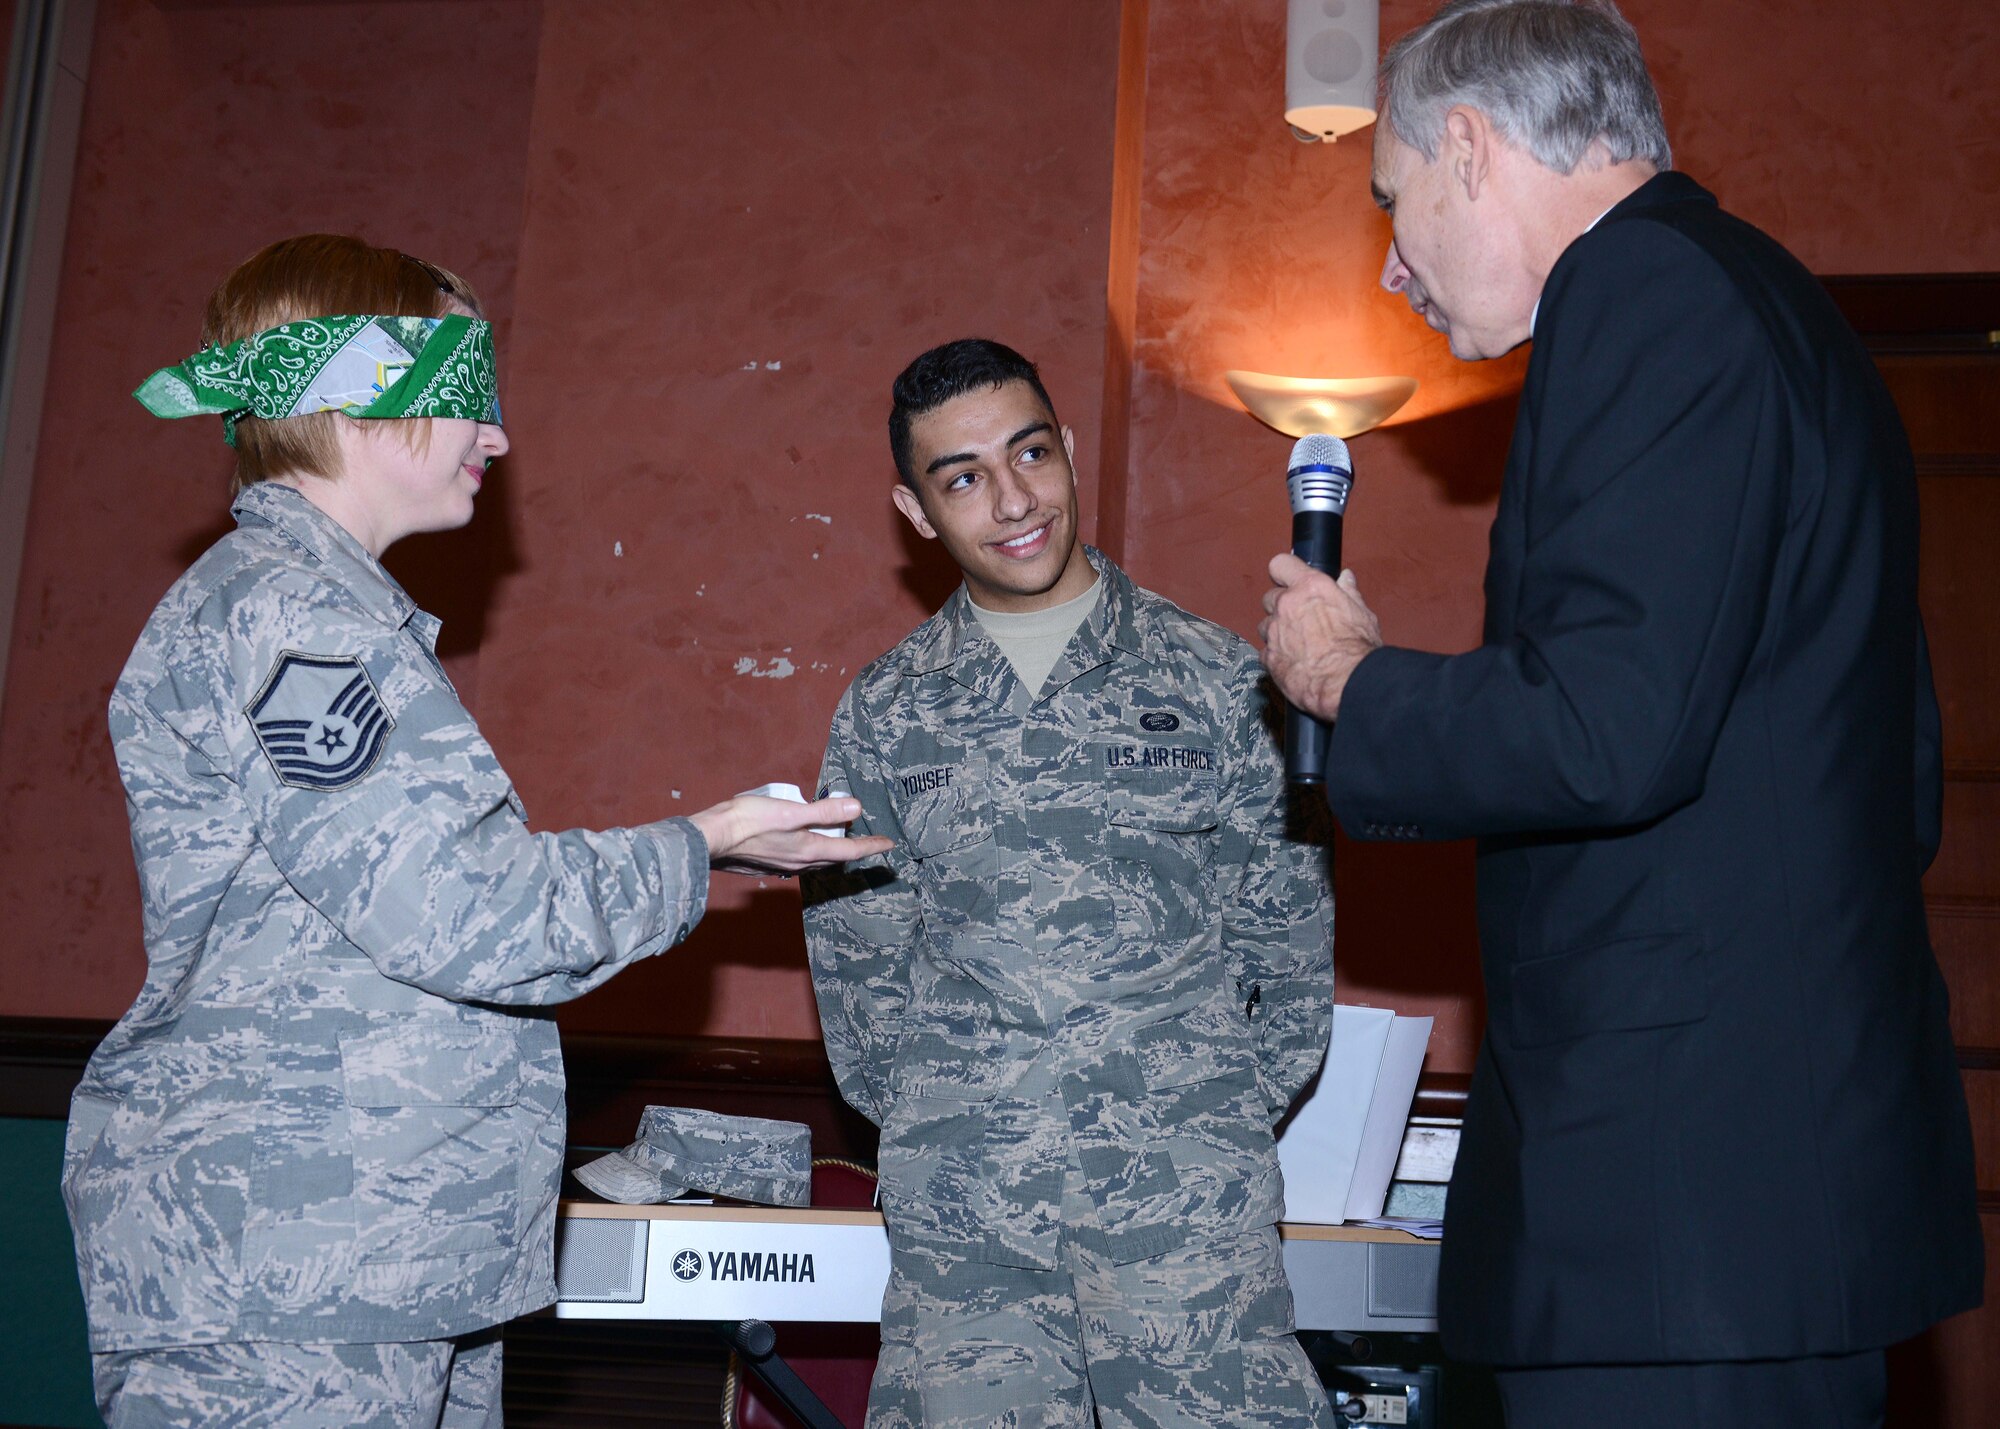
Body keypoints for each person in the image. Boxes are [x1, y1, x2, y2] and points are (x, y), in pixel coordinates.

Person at [1257, 3, 1982, 1425]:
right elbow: (1896, 776)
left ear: (1469, 147)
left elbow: (1606, 728)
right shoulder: (1767, 301)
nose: (1394, 266)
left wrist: (1354, 682)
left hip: (1672, 1214)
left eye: (1393, 204)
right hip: (1753, 1207)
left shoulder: (1648, 296)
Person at [63, 233, 889, 1428]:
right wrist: (700, 843)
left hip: (372, 1264)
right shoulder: (292, 613)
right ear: (357, 398)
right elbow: (461, 911)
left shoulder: (325, 612)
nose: (496, 438)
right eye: (470, 396)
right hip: (294, 1282)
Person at [802, 338, 1335, 1428]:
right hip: (969, 1244)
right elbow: (859, 985)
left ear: (1070, 450)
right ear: (915, 511)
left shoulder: (1218, 679)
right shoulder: (886, 713)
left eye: (1029, 453)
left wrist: (1193, 1114)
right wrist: (963, 1126)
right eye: (961, 478)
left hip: (1188, 1228)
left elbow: (1286, 953)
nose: (1011, 500)